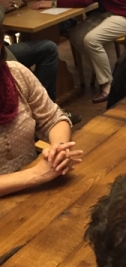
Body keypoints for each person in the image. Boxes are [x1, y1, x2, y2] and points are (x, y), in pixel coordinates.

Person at [0, 27, 83, 197]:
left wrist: (58, 150)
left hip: (33, 192)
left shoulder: (16, 74)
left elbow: (53, 118)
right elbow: (37, 174)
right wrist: (35, 174)